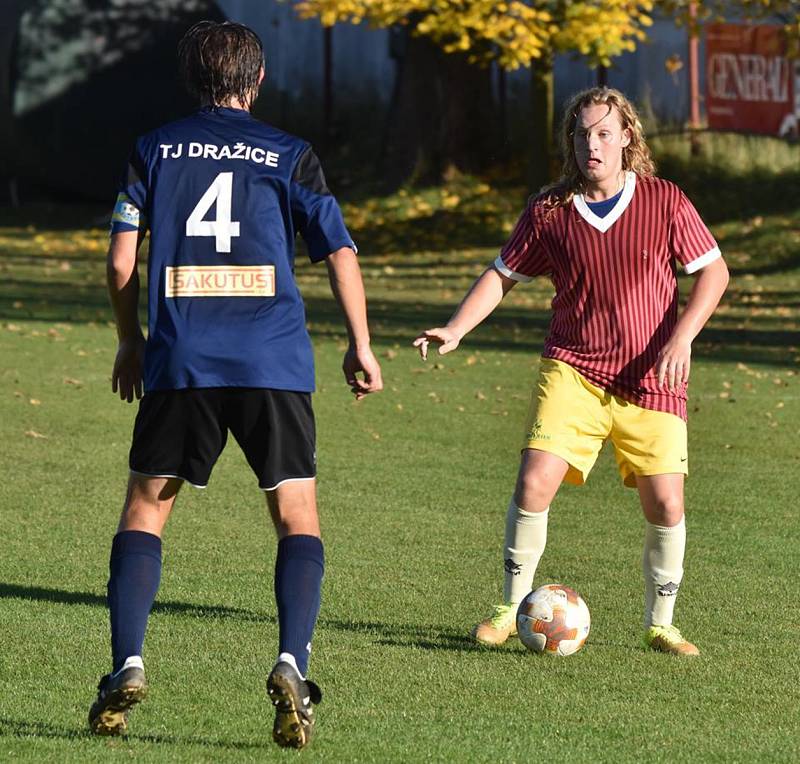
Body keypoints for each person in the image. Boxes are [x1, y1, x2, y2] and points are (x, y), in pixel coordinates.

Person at [89, 21, 382, 749]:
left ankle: (127, 661)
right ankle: (292, 660)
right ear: (256, 81)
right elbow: (340, 252)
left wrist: (132, 339)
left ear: (193, 81)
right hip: (273, 362)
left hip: (183, 360)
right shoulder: (288, 153)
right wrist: (361, 345)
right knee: (296, 516)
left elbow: (122, 265)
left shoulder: (153, 148)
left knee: (145, 512)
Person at [414, 87, 728, 657]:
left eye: (605, 133)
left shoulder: (664, 200)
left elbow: (714, 273)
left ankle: (661, 624)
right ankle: (510, 608)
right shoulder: (549, 211)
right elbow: (502, 274)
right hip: (574, 370)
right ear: (571, 142)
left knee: (667, 505)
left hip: (651, 380)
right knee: (534, 481)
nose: (593, 145)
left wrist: (681, 339)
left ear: (628, 137)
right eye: (582, 134)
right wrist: (457, 327)